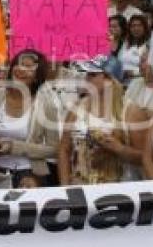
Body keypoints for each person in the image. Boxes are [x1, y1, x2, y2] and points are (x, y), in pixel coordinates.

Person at [57, 56, 146, 185]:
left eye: (92, 75)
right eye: (87, 74)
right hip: (80, 190)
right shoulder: (77, 108)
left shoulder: (130, 112)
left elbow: (146, 157)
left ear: (110, 79)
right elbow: (64, 149)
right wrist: (65, 186)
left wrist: (119, 149)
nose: (86, 79)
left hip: (118, 193)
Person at [0, 50, 63, 187]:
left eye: (28, 67)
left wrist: (15, 147)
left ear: (37, 76)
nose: (21, 69)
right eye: (18, 64)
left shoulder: (46, 104)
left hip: (29, 175)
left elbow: (54, 149)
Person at [117, 15, 149, 82]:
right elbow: (119, 62)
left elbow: (151, 69)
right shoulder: (125, 43)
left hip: (139, 81)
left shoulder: (148, 45)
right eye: (133, 26)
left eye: (139, 25)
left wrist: (132, 73)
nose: (136, 28)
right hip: (121, 81)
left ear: (144, 27)